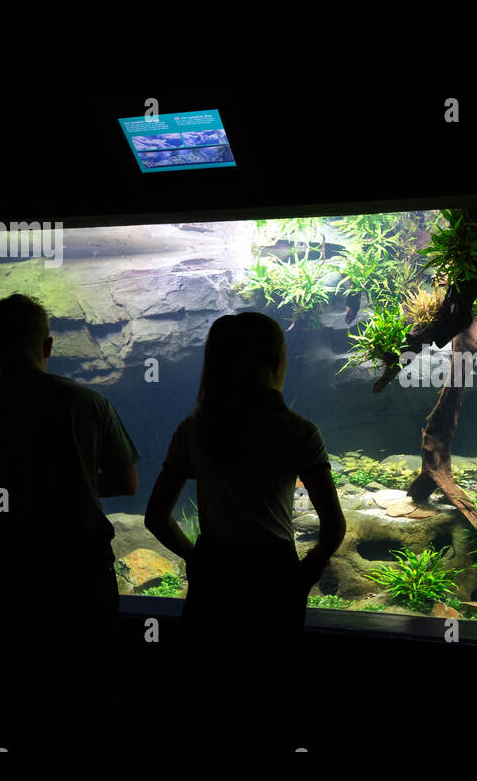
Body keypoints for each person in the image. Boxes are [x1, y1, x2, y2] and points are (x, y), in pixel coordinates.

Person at [0, 293, 140, 757]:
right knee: (93, 689)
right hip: (83, 575)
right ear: (49, 345)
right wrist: (71, 482)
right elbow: (126, 481)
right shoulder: (88, 401)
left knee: (13, 694)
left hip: (10, 575)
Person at [146, 312, 345, 753]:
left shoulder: (193, 429)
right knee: (273, 694)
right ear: (277, 361)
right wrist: (304, 575)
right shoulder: (298, 432)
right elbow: (333, 527)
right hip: (273, 574)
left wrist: (194, 557)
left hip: (214, 574)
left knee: (209, 697)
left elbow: (156, 516)